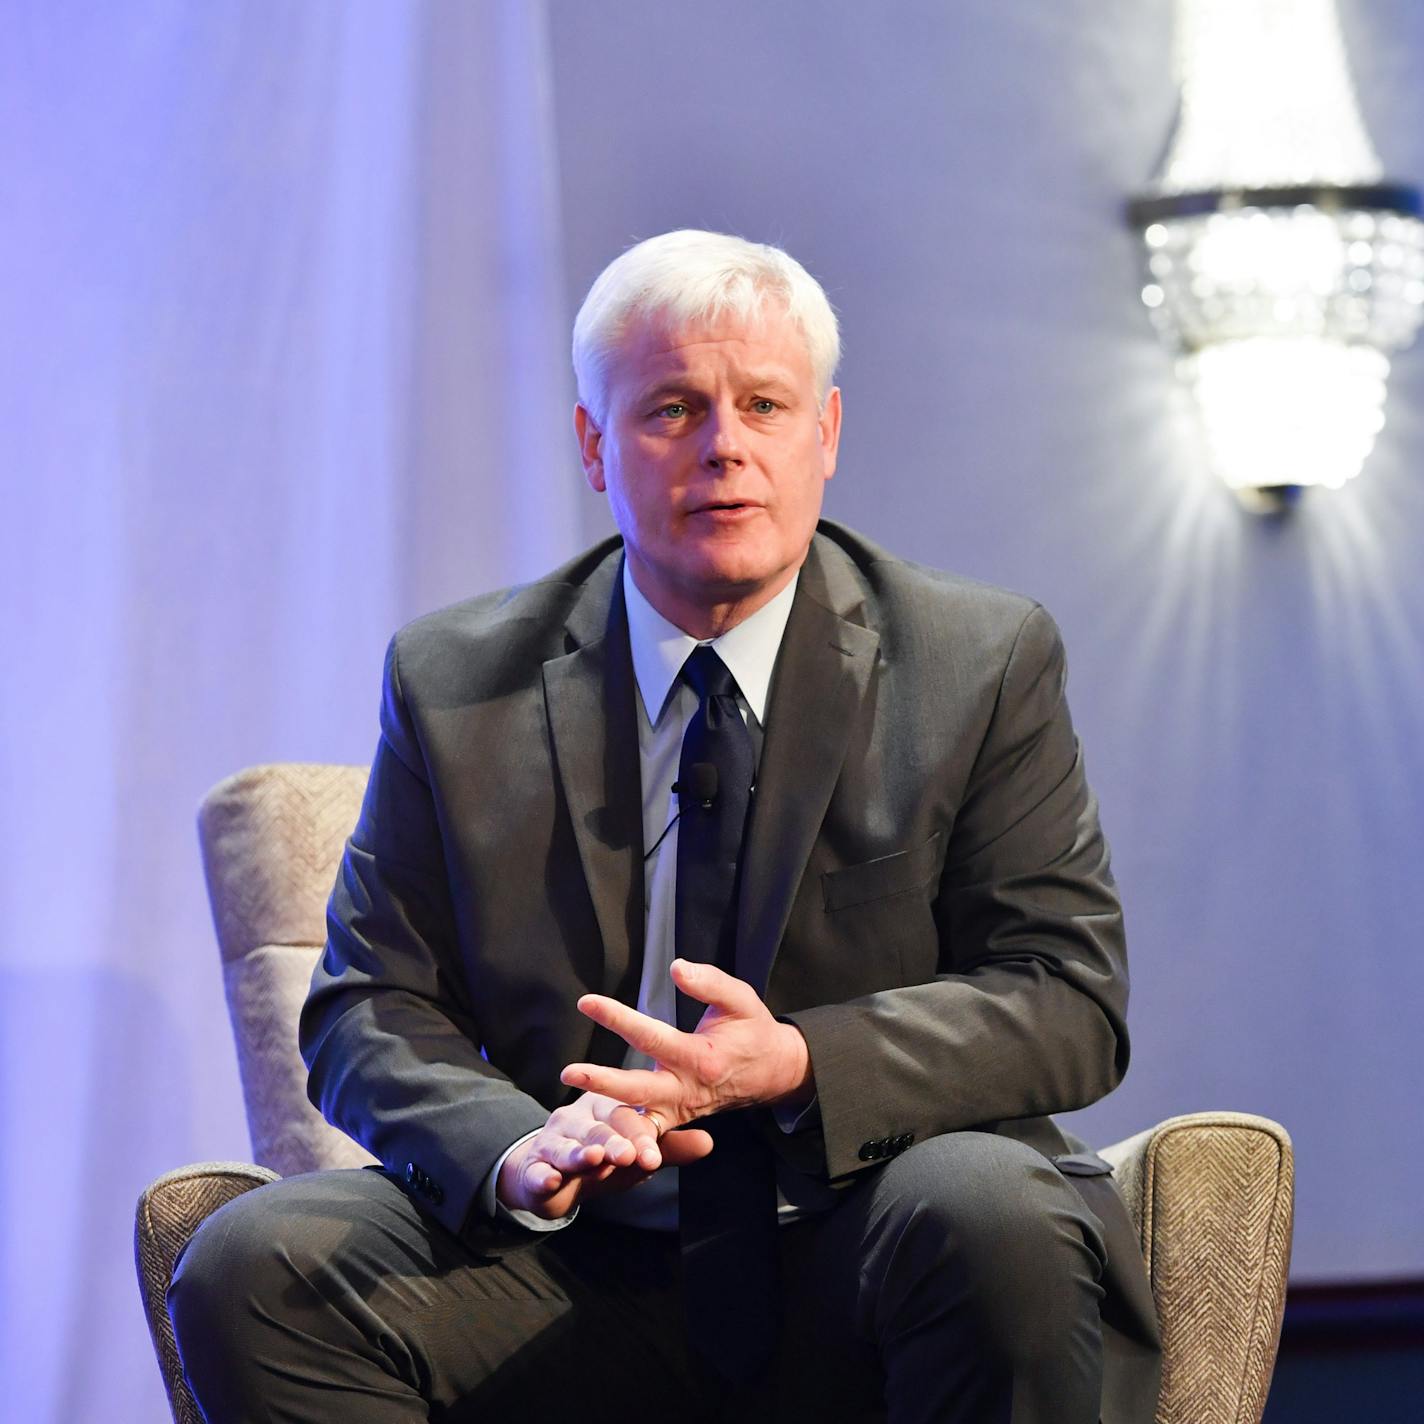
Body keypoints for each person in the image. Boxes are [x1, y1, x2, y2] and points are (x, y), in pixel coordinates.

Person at [169, 229, 1161, 1423]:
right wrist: (516, 1150)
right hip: (570, 1262)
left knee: (995, 1213)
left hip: (868, 1240)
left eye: (762, 404)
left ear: (825, 432)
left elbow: (1065, 996)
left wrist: (797, 1057)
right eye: (672, 409)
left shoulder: (976, 661)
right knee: (253, 1267)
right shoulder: (454, 681)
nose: (724, 446)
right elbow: (366, 1001)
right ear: (594, 443)